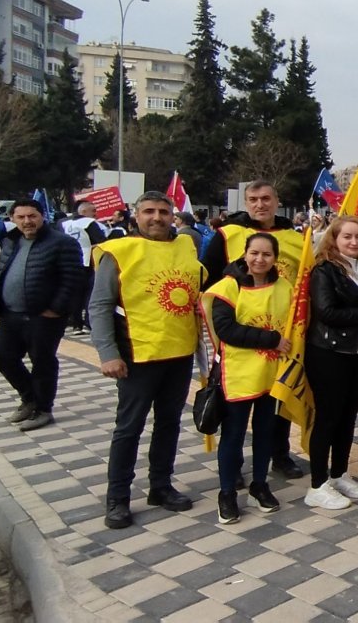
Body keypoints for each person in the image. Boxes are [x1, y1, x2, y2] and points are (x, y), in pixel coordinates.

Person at [90, 192, 204, 529]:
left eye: (163, 212)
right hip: (137, 356)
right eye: (149, 212)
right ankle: (118, 499)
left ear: (173, 216)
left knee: (169, 424)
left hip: (179, 353)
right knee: (128, 429)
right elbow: (99, 305)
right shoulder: (118, 252)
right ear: (135, 216)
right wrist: (108, 353)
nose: (157, 217)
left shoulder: (186, 246)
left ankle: (161, 486)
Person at [203, 180, 307, 482]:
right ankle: (232, 467)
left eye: (265, 199)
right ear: (246, 202)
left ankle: (279, 455)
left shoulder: (296, 238)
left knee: (277, 399)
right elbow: (208, 279)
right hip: (239, 338)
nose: (260, 205)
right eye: (253, 199)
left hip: (280, 337)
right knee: (235, 411)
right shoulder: (228, 235)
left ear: (277, 201)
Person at [302, 215, 358, 509]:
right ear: (334, 239)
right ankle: (317, 485)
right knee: (328, 418)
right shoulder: (324, 271)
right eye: (347, 237)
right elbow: (327, 313)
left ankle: (339, 473)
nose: (353, 242)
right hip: (329, 354)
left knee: (348, 418)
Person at [200, 233, 291, 524]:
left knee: (266, 433)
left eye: (266, 255)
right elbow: (227, 329)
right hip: (237, 374)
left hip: (271, 375)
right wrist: (272, 339)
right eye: (254, 253)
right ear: (245, 253)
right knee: (234, 436)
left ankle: (260, 484)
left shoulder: (284, 287)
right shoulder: (228, 287)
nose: (259, 259)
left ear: (275, 258)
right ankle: (227, 492)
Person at [0, 199, 83, 431]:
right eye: (20, 217)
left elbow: (72, 279)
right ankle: (29, 398)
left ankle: (43, 409)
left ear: (42, 216)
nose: (27, 221)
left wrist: (56, 309)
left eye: (32, 216)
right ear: (12, 219)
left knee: (42, 362)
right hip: (11, 314)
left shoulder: (62, 243)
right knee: (2, 357)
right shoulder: (11, 241)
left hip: (44, 317)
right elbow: (0, 273)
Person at [62, 201, 107, 333]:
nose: (95, 214)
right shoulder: (89, 223)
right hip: (88, 262)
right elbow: (102, 242)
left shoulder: (63, 223)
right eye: (92, 210)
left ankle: (76, 324)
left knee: (75, 294)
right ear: (84, 212)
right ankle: (88, 322)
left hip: (69, 262)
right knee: (89, 293)